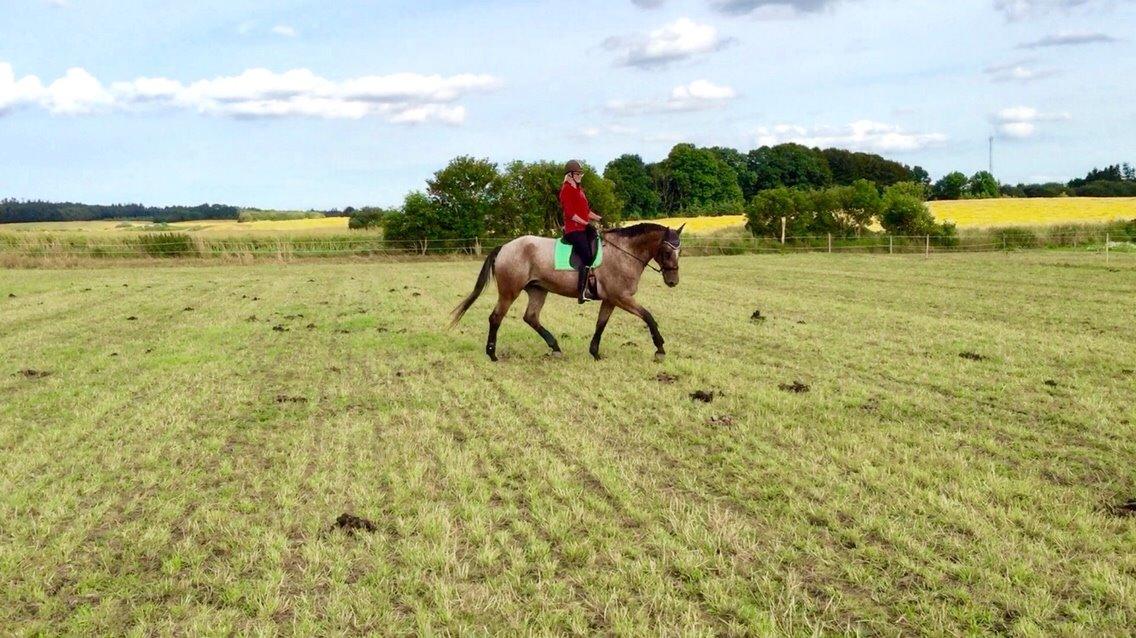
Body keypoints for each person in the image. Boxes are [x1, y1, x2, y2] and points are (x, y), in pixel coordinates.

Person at [559, 160, 603, 303]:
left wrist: (599, 218)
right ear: (570, 175)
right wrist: (586, 223)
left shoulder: (579, 190)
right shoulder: (566, 190)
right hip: (573, 230)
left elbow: (586, 212)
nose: (580, 176)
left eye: (580, 174)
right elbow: (570, 214)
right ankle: (581, 293)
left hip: (583, 227)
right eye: (577, 174)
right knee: (587, 255)